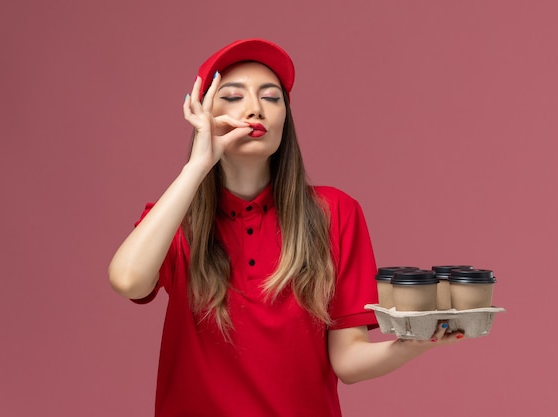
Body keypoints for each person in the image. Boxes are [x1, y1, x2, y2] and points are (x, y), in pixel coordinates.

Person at [108, 38, 463, 417]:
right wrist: (197, 166)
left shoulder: (335, 213)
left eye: (271, 97)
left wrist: (412, 344)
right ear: (201, 114)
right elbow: (128, 280)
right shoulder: (176, 218)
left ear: (285, 118)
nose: (255, 109)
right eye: (231, 96)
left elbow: (348, 361)